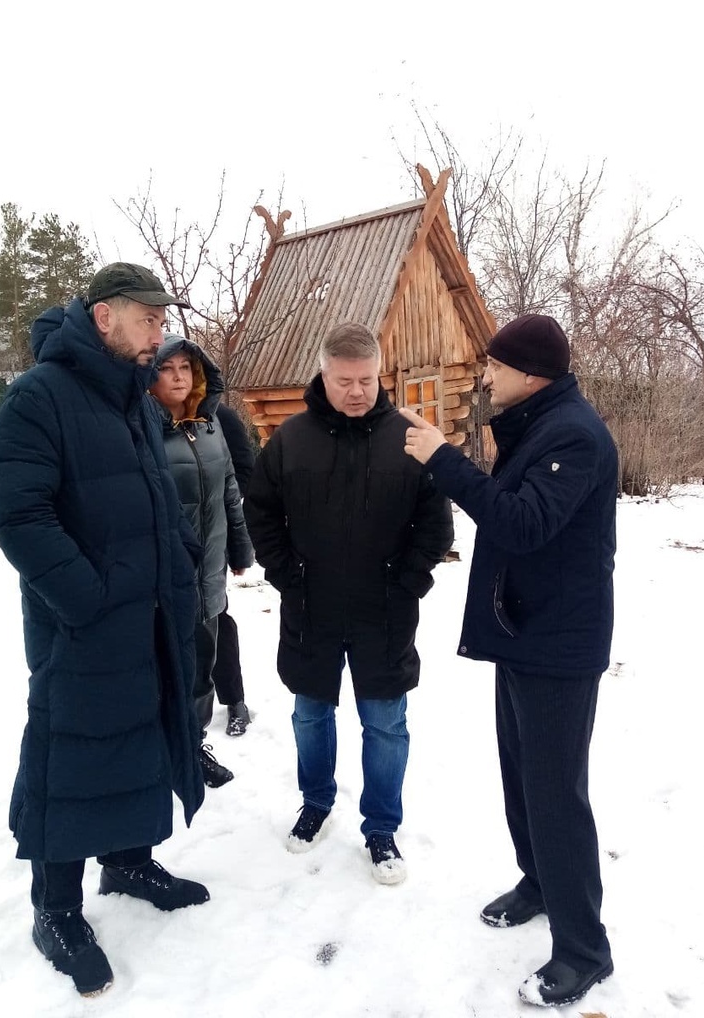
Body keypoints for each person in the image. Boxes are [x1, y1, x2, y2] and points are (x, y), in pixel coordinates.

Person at [0, 264, 209, 998]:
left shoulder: (133, 401)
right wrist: (86, 599)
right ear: (104, 316)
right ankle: (56, 909)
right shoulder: (38, 397)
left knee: (141, 738)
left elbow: (155, 498)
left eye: (159, 319)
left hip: (146, 614)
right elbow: (17, 515)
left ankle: (129, 859)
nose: (159, 333)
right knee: (71, 757)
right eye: (146, 320)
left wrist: (176, 564)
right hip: (80, 628)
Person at [401, 314, 617, 1008]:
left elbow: (522, 523)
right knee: (523, 781)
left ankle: (585, 949)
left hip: (559, 645)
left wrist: (442, 458)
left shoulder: (575, 435)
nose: (485, 374)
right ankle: (539, 881)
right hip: (524, 631)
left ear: (532, 373)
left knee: (556, 795)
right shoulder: (542, 424)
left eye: (494, 364)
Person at [243, 322, 454, 884]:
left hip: (384, 608)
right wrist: (287, 573)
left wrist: (407, 580)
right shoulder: (291, 439)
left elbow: (436, 524)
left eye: (365, 380)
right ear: (324, 373)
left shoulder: (408, 437)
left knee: (385, 721)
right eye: (344, 381)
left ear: (378, 373)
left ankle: (382, 828)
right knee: (311, 712)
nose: (356, 391)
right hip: (311, 603)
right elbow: (259, 509)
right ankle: (316, 802)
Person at [150, 335, 254, 784]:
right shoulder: (142, 429)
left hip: (209, 567)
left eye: (186, 369)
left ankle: (193, 747)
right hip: (163, 574)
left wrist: (241, 547)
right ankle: (160, 754)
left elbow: (230, 487)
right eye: (167, 368)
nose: (178, 377)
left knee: (202, 664)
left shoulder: (210, 427)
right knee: (162, 665)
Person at [214, 400, 256, 736]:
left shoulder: (219, 416)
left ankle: (234, 699)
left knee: (215, 618)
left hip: (211, 535)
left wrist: (210, 501)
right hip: (161, 539)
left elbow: (244, 470)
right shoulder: (146, 412)